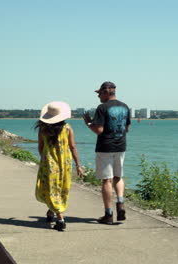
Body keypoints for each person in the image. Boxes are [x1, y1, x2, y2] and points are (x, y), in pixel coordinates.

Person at [83, 81, 131, 224]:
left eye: (99, 94)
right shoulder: (125, 106)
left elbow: (99, 130)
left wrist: (88, 123)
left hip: (105, 147)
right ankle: (121, 202)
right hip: (121, 146)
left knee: (106, 180)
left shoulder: (102, 107)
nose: (98, 97)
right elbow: (127, 129)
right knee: (118, 176)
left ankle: (108, 214)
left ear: (106, 92)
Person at [35, 101, 83, 231]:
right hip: (65, 164)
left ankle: (60, 218)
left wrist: (44, 158)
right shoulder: (67, 128)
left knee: (51, 188)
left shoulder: (43, 128)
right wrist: (78, 164)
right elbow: (73, 147)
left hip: (49, 163)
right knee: (60, 189)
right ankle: (54, 213)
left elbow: (40, 146)